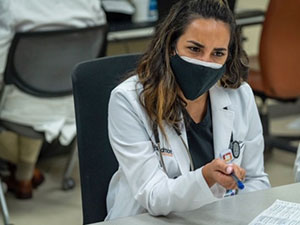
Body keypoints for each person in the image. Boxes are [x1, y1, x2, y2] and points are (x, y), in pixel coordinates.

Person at [106, 0, 270, 220]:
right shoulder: (129, 101)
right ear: (170, 46)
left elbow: (256, 180)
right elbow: (154, 195)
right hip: (149, 218)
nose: (205, 62)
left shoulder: (240, 95)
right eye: (194, 49)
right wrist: (205, 178)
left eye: (218, 53)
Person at [0, 0, 106, 199]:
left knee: (19, 90)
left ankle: (24, 173)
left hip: (21, 108)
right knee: (32, 89)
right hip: (71, 103)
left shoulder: (11, 5)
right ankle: (25, 175)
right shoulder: (90, 3)